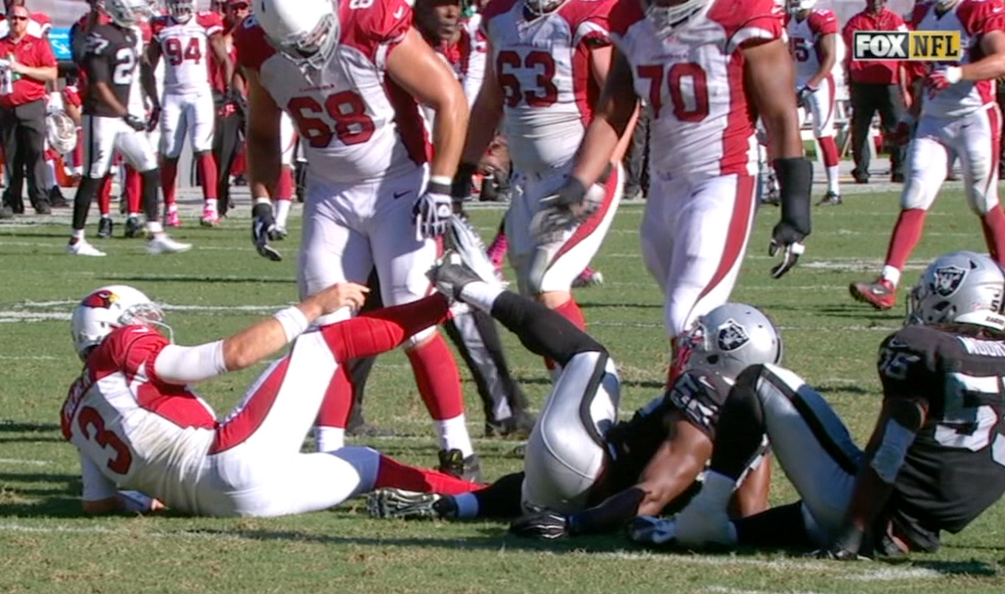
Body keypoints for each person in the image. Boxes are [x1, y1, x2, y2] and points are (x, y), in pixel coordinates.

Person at [630, 250, 1005, 559]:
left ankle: (707, 511)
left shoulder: (926, 349)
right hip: (917, 527)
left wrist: (852, 533)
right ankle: (725, 532)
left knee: (758, 378)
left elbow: (890, 448)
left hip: (876, 514)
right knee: (814, 512)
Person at [239, 0, 479, 477]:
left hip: (398, 185)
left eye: (313, 38)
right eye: (296, 46)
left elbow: (448, 97)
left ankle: (458, 448)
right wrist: (263, 199)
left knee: (415, 318)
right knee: (325, 328)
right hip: (329, 195)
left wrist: (441, 185)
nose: (308, 51)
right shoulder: (257, 42)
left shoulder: (369, 21)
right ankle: (329, 455)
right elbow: (262, 130)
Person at [369, 286, 783, 538]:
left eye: (701, 342)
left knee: (591, 358)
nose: (690, 345)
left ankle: (476, 288)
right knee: (557, 480)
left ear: (717, 361)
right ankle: (458, 506)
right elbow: (750, 520)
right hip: (580, 487)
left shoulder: (701, 403)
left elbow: (651, 494)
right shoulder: (748, 419)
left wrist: (575, 525)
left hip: (578, 477)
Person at [546, 0, 810, 387]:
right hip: (665, 185)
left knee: (689, 318)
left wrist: (796, 207)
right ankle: (730, 430)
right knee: (688, 329)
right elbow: (614, 109)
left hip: (722, 180)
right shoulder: (632, 16)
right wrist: (580, 180)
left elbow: (781, 113)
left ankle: (680, 431)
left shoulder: (743, 12)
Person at [61, 281, 484, 517]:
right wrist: (313, 306)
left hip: (224, 505)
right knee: (322, 344)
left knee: (368, 464)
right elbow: (229, 357)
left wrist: (149, 495)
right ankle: (448, 301)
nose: (149, 327)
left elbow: (96, 503)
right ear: (112, 326)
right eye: (140, 319)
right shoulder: (119, 345)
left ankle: (483, 497)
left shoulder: (76, 410)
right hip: (227, 463)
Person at [451, 0, 628, 356]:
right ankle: (565, 388)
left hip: (577, 171)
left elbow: (621, 101)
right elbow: (490, 98)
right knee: (532, 295)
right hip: (528, 179)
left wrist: (601, 167)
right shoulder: (501, 15)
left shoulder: (587, 14)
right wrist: (464, 167)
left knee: (545, 282)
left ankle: (587, 378)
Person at [850, 0, 1005, 311]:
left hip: (975, 118)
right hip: (934, 120)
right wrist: (910, 116)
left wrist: (959, 73)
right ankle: (887, 283)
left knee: (981, 199)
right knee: (914, 195)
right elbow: (929, 72)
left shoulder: (976, 8)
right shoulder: (924, 12)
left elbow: (1001, 60)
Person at [67, 0, 190, 257]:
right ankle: (76, 240)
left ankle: (156, 234)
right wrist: (126, 114)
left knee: (149, 167)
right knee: (94, 174)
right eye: (135, 10)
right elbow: (99, 84)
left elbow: (144, 68)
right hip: (100, 115)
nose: (139, 15)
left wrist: (154, 102)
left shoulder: (132, 34)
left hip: (123, 116)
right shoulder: (100, 36)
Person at [147, 0, 232, 228]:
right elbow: (148, 64)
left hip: (199, 93)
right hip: (172, 94)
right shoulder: (160, 24)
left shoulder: (206, 21)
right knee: (170, 152)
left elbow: (223, 59)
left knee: (201, 147)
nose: (179, 6)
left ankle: (211, 206)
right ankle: (170, 208)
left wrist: (228, 93)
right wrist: (152, 99)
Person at [0, 0, 57, 216]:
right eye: (13, 17)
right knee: (12, 156)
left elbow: (51, 72)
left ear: (27, 21)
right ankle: (12, 200)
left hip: (31, 104)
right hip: (6, 105)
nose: (17, 22)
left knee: (35, 154)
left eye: (21, 18)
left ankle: (40, 198)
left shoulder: (38, 44)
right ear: (7, 19)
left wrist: (22, 69)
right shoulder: (2, 45)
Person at [842, 0, 907, 184]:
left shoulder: (895, 20)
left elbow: (905, 46)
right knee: (860, 128)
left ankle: (899, 168)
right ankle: (861, 170)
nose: (876, 2)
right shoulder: (856, 22)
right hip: (862, 82)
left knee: (895, 127)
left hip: (889, 80)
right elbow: (857, 45)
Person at [787, 0, 842, 206]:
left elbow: (830, 58)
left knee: (823, 134)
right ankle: (784, 185)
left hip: (819, 83)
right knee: (787, 132)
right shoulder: (787, 19)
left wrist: (811, 85)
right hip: (795, 82)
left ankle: (834, 189)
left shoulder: (819, 19)